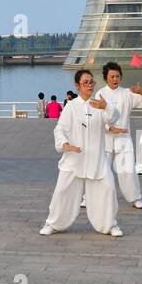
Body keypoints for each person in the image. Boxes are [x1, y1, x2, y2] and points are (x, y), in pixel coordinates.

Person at [40, 69, 122, 237]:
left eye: (92, 82)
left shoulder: (99, 104)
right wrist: (65, 144)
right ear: (77, 86)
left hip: (97, 159)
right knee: (62, 191)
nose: (90, 85)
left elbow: (113, 117)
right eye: (86, 82)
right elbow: (60, 129)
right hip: (74, 159)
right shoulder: (71, 107)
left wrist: (106, 106)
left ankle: (109, 224)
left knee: (108, 188)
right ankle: (53, 223)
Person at [93, 62, 142, 210]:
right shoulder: (100, 94)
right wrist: (109, 127)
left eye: (117, 76)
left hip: (124, 137)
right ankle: (94, 197)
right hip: (106, 138)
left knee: (128, 169)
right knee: (102, 169)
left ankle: (135, 198)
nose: (115, 79)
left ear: (121, 77)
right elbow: (96, 117)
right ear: (106, 78)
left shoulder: (127, 93)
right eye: (111, 76)